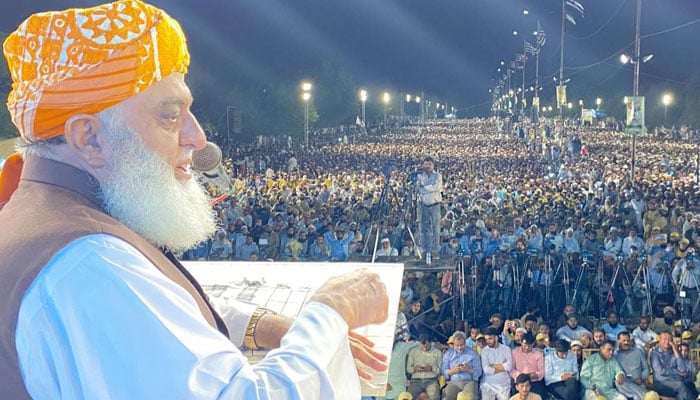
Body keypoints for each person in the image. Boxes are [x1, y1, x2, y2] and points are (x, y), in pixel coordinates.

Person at [0, 2, 389, 398]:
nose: (198, 137)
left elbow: (155, 311)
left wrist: (261, 324)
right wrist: (331, 310)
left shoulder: (48, 219)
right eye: (170, 116)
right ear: (89, 138)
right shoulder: (88, 264)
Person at [651, 331, 698, 400]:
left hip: (677, 381)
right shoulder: (655, 354)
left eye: (669, 340)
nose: (667, 341)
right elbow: (660, 371)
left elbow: (682, 369)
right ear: (660, 341)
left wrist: (676, 351)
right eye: (664, 339)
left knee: (690, 387)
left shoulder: (675, 353)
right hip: (662, 383)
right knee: (681, 386)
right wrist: (676, 372)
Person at [442, 331, 483, 400]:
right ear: (453, 344)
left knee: (470, 397)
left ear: (465, 342)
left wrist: (468, 369)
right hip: (453, 382)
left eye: (462, 345)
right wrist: (452, 371)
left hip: (469, 381)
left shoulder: (472, 353)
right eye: (457, 345)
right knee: (446, 397)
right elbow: (443, 371)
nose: (459, 348)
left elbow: (479, 372)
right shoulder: (448, 353)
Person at [416, 156, 443, 256]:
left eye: (430, 164)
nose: (427, 166)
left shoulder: (438, 176)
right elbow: (418, 189)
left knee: (435, 228)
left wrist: (424, 188)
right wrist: (426, 188)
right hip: (423, 204)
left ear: (433, 165)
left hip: (435, 205)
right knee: (423, 228)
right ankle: (424, 250)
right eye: (426, 164)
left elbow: (436, 187)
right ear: (423, 165)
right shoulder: (420, 176)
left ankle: (435, 250)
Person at [614, 332, 649, 400]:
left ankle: (638, 395)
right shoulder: (615, 356)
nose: (626, 342)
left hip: (638, 383)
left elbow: (646, 369)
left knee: (636, 395)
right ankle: (643, 395)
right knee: (619, 383)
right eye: (624, 341)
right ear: (618, 341)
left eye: (628, 340)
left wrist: (641, 378)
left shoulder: (638, 352)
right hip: (624, 385)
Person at [480, 327, 513, 400]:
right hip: (488, 383)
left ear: (496, 337)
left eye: (490, 339)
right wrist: (503, 367)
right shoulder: (484, 351)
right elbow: (486, 370)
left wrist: (492, 365)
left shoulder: (506, 349)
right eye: (486, 339)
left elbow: (509, 366)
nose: (488, 341)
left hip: (503, 382)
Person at [406, 333, 442, 400]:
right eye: (423, 346)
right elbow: (408, 369)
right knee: (408, 396)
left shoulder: (437, 352)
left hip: (431, 380)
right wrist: (415, 369)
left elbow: (440, 370)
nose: (425, 348)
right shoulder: (413, 352)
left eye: (427, 346)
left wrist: (432, 369)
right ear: (419, 343)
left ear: (431, 343)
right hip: (416, 381)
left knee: (435, 396)